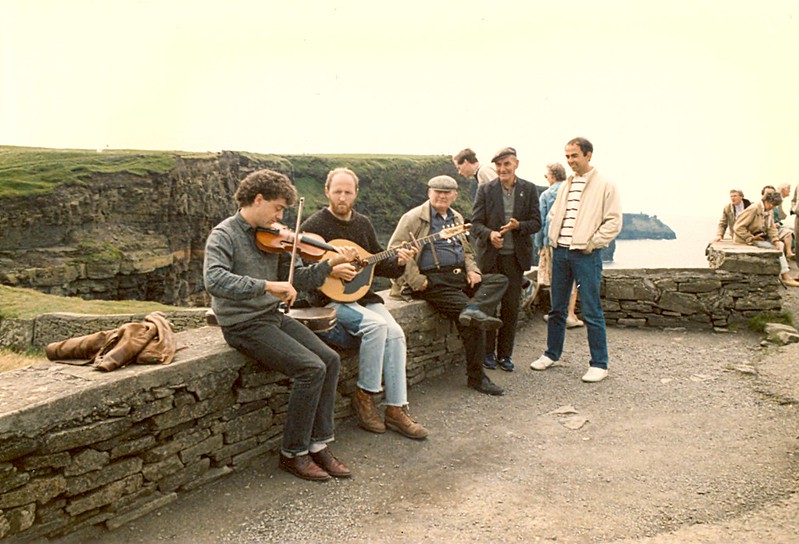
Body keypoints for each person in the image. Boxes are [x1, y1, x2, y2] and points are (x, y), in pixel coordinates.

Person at [203, 168, 361, 481]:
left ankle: (319, 444)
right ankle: (293, 452)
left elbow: (298, 279)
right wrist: (267, 286)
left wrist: (328, 263)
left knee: (329, 359)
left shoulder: (274, 236)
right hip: (242, 323)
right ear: (257, 199)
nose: (280, 216)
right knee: (310, 368)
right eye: (277, 208)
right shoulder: (224, 234)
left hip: (270, 316)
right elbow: (214, 279)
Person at [300, 167, 429, 440]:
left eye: (348, 192)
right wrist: (330, 270)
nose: (343, 197)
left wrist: (400, 261)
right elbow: (300, 272)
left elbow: (376, 265)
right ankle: (365, 397)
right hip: (329, 300)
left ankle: (396, 408)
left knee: (395, 333)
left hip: (362, 296)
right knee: (376, 326)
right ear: (327, 192)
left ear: (356, 194)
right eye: (338, 191)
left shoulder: (363, 224)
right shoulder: (313, 226)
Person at [388, 175, 509, 395]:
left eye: (447, 193)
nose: (442, 196)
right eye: (438, 192)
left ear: (454, 195)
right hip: (434, 281)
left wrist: (472, 269)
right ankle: (477, 377)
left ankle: (473, 309)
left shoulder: (456, 217)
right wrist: (417, 281)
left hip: (459, 276)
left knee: (499, 280)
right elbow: (396, 252)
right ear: (429, 193)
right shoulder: (413, 218)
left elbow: (467, 250)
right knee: (474, 324)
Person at [530, 137, 622, 383]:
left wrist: (592, 243)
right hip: (560, 252)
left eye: (575, 156)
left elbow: (613, 221)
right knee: (557, 307)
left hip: (586, 255)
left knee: (591, 309)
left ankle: (599, 364)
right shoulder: (567, 184)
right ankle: (552, 354)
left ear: (588, 155)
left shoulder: (605, 185)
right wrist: (552, 238)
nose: (570, 161)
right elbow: (553, 214)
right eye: (567, 156)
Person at [471, 147, 541, 372]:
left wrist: (518, 226)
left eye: (506, 164)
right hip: (491, 260)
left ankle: (505, 355)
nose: (502, 169)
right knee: (490, 307)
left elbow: (536, 223)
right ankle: (488, 354)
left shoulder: (529, 189)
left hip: (515, 260)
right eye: (498, 165)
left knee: (511, 308)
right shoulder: (485, 189)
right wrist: (490, 235)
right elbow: (475, 224)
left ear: (516, 164)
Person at [535, 162, 583, 328]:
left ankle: (558, 315)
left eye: (546, 175)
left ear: (552, 176)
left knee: (557, 279)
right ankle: (570, 314)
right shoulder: (573, 191)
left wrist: (539, 244)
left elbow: (541, 222)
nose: (546, 178)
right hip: (573, 240)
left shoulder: (547, 195)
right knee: (573, 278)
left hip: (552, 241)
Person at [732, 190, 799, 287]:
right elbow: (738, 227)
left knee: (780, 244)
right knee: (774, 247)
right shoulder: (754, 208)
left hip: (757, 237)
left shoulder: (768, 210)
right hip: (745, 240)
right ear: (766, 201)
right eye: (772, 204)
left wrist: (775, 240)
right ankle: (785, 276)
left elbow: (771, 228)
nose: (773, 207)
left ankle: (785, 274)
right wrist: (751, 238)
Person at [775, 184, 795, 259]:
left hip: (778, 223)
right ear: (783, 190)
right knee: (788, 232)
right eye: (788, 189)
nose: (790, 191)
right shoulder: (778, 201)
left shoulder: (781, 201)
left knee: (791, 229)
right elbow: (781, 216)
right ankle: (789, 253)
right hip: (775, 225)